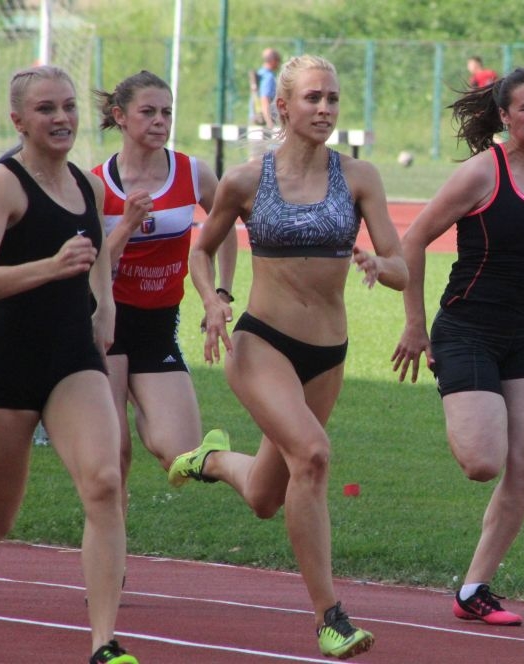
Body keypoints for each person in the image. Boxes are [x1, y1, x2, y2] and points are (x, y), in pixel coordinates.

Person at [169, 54, 407, 659]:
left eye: (332, 99)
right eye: (312, 98)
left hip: (327, 355)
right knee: (314, 454)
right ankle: (331, 617)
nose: (325, 109)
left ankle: (212, 459)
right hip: (261, 345)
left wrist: (379, 265)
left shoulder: (360, 177)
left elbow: (402, 268)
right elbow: (202, 250)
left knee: (265, 497)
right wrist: (214, 299)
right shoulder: (247, 180)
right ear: (283, 106)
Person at [390, 68, 524, 626]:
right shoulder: (483, 173)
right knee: (483, 463)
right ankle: (466, 400)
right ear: (505, 116)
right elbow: (413, 240)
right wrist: (415, 325)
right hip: (467, 331)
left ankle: (475, 588)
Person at [0, 65, 137, 664]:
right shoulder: (2, 186)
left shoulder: (87, 184)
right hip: (7, 364)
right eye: (45, 109)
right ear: (18, 120)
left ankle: (104, 644)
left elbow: (95, 252)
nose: (61, 118)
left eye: (68, 106)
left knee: (104, 483)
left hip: (73, 359)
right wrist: (49, 269)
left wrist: (105, 305)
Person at [91, 71, 218, 504]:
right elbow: (91, 268)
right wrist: (127, 225)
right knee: (113, 458)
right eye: (148, 112)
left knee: (182, 454)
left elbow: (225, 226)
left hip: (158, 324)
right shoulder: (96, 183)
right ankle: (113, 550)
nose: (160, 121)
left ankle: (144, 408)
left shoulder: (193, 172)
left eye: (166, 112)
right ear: (120, 116)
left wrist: (221, 292)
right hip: (106, 324)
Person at [248, 48, 282, 132]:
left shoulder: (260, 73)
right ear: (272, 60)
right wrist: (270, 123)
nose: (279, 63)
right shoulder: (268, 77)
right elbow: (265, 100)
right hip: (264, 123)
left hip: (256, 120)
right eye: (278, 60)